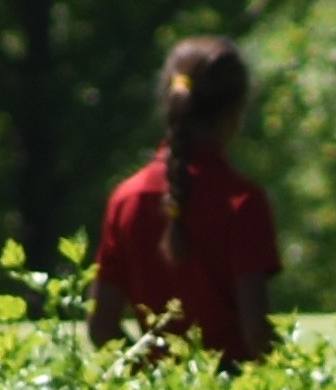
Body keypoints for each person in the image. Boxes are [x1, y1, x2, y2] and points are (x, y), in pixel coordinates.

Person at [87, 35, 277, 368]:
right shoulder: (241, 201)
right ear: (236, 111)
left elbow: (101, 326)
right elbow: (257, 335)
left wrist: (154, 380)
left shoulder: (127, 198)